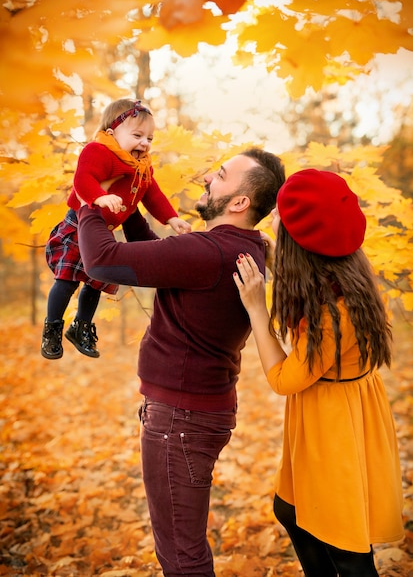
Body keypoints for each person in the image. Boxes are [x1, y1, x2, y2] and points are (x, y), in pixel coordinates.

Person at [76, 147, 286, 576]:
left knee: (180, 554)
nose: (209, 177)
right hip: (194, 412)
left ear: (240, 202)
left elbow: (101, 259)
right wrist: (129, 205)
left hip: (181, 421)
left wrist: (88, 204)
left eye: (222, 176)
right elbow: (161, 258)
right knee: (180, 546)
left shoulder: (207, 252)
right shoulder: (240, 247)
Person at [233, 168, 404, 577]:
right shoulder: (344, 272)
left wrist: (257, 307)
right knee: (290, 511)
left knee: (343, 542)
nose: (271, 217)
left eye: (280, 216)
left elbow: (282, 380)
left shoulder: (331, 312)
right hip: (338, 407)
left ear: (299, 240)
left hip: (335, 424)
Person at [41, 98, 191, 360]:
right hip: (78, 225)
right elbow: (82, 179)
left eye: (150, 138)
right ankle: (52, 328)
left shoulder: (141, 166)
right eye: (137, 135)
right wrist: (98, 197)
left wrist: (171, 218)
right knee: (66, 281)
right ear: (112, 133)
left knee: (96, 281)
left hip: (101, 230)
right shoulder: (99, 151)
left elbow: (152, 194)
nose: (145, 143)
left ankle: (81, 326)